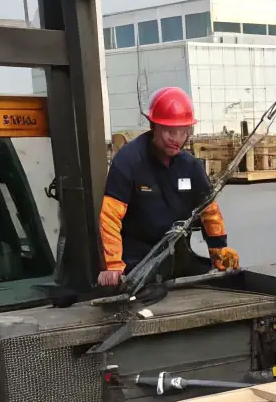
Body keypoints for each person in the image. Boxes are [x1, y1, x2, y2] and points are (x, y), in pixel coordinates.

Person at [96, 87, 239, 288]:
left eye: (183, 131)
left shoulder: (190, 166)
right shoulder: (128, 161)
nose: (177, 139)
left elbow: (210, 213)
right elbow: (109, 217)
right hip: (138, 261)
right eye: (170, 131)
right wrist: (112, 265)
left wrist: (218, 252)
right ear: (153, 125)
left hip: (178, 256)